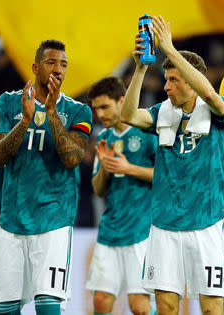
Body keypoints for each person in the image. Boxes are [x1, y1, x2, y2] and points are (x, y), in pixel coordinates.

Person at [121, 16, 224, 315]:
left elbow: (209, 94)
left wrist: (169, 49)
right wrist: (140, 68)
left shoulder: (220, 110)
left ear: (191, 80)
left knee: (211, 308)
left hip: (208, 223)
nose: (167, 86)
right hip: (165, 225)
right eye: (167, 79)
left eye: (174, 80)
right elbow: (128, 115)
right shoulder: (162, 113)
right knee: (167, 306)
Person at [0, 39, 92, 315]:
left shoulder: (79, 111)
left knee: (48, 305)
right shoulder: (9, 103)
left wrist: (52, 113)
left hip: (53, 222)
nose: (58, 69)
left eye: (64, 65)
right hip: (11, 220)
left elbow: (72, 159)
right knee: (4, 309)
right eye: (51, 62)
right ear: (35, 67)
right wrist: (24, 121)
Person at [85, 76, 157, 315]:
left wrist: (130, 169)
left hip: (141, 231)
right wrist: (105, 168)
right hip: (110, 231)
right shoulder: (105, 139)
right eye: (97, 109)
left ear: (122, 100)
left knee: (139, 306)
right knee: (101, 302)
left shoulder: (146, 132)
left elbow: (167, 177)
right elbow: (98, 189)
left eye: (105, 106)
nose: (101, 114)